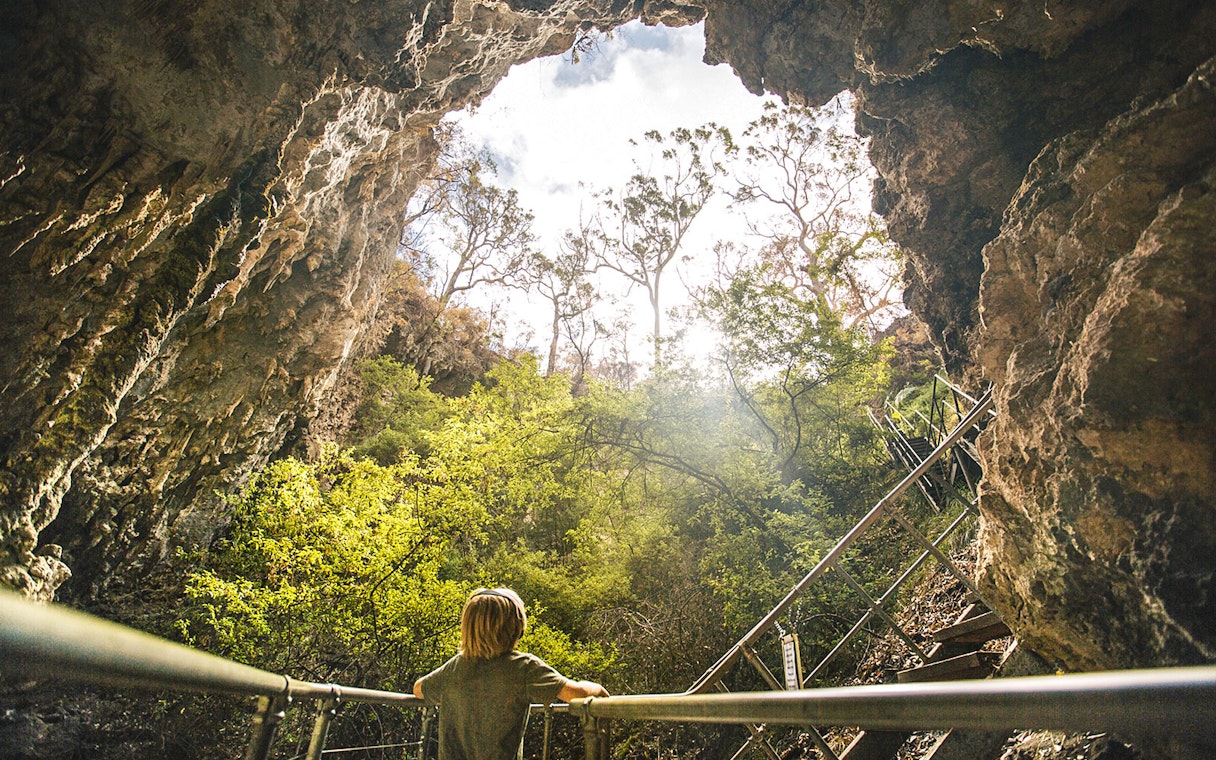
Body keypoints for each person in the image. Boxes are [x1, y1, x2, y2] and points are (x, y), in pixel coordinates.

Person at [413, 587, 610, 760]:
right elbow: (575, 693)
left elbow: (419, 689)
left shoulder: (454, 667)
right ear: (515, 628)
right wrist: (596, 687)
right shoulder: (523, 667)